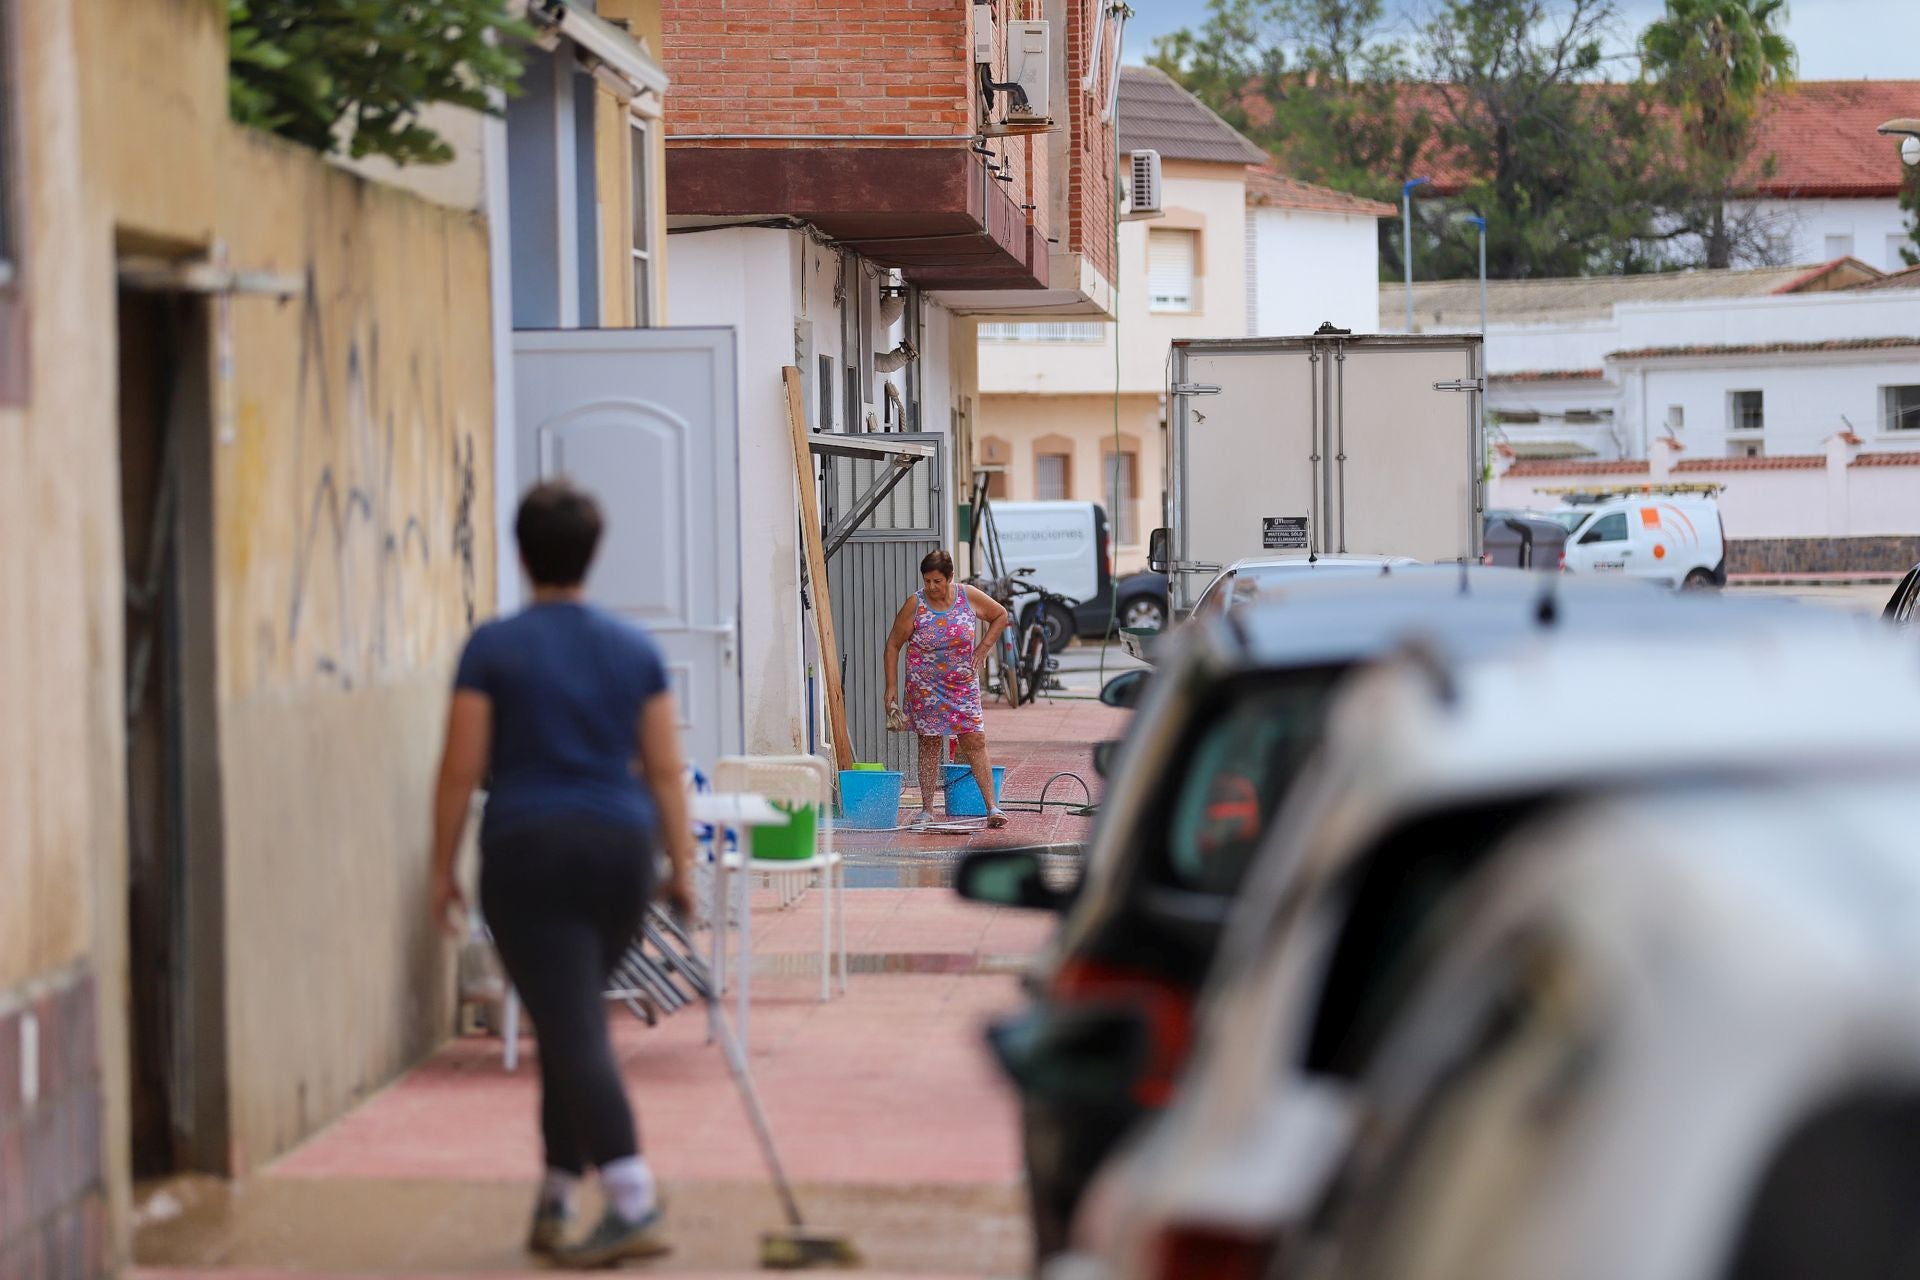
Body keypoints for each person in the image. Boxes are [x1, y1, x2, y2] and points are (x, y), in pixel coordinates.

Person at [429, 480, 697, 1267]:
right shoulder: (635, 649)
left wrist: (441, 867)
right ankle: (555, 1194)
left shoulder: (494, 647)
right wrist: (680, 869)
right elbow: (665, 772)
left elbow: (458, 771)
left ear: (519, 554)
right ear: (593, 555)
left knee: (574, 1025)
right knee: (568, 1017)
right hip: (620, 856)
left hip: (528, 854)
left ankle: (632, 1197)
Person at [882, 549, 1011, 829]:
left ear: (950, 578)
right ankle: (927, 809)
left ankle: (992, 806)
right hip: (924, 685)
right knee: (929, 742)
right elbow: (893, 644)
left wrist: (983, 648)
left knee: (974, 740)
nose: (931, 587)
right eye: (927, 581)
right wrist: (890, 687)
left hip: (962, 685)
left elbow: (1000, 615)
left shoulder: (968, 596)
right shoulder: (915, 604)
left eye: (937, 581)